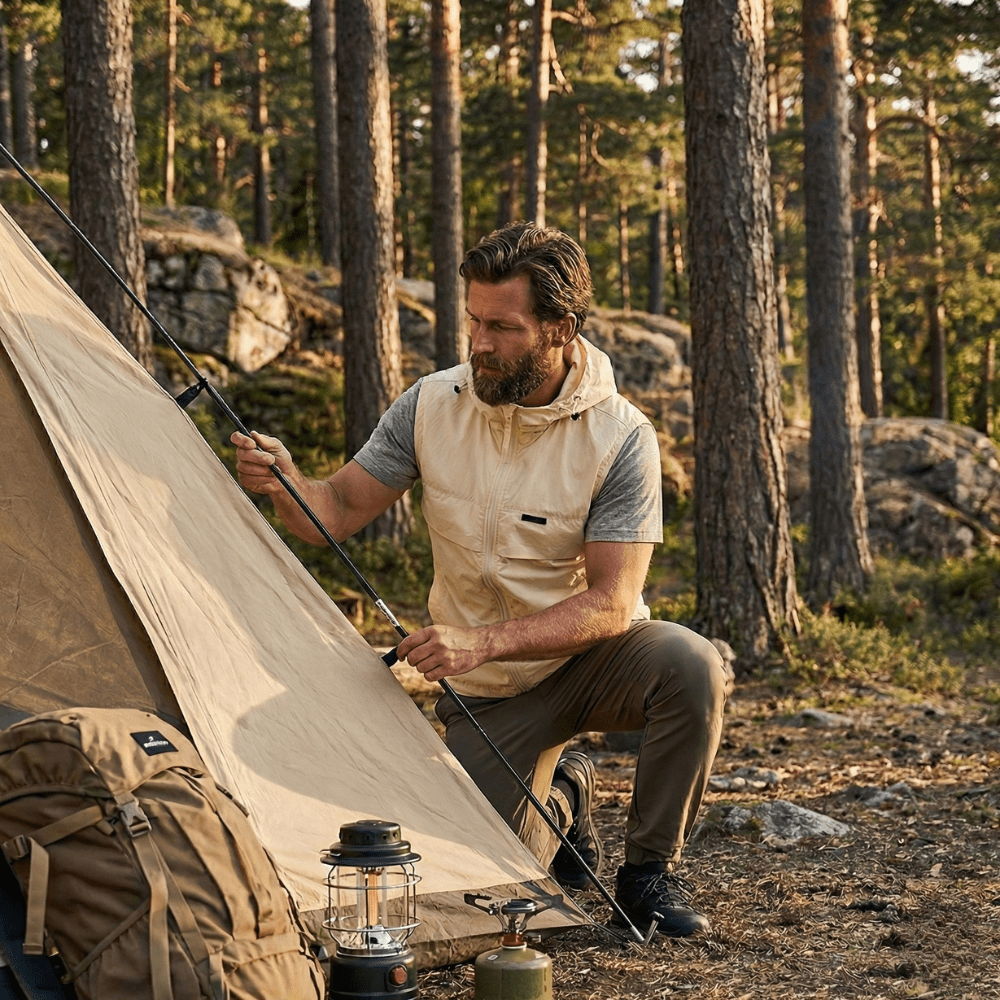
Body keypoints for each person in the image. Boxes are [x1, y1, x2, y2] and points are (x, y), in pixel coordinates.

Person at [232, 223, 732, 937]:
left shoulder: (621, 436)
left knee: (692, 665)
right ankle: (562, 799)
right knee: (494, 895)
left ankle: (648, 874)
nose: (479, 343)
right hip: (490, 699)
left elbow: (614, 603)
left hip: (590, 658)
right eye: (473, 319)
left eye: (503, 326)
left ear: (560, 327)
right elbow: (336, 511)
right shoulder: (431, 404)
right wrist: (284, 483)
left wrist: (478, 642)